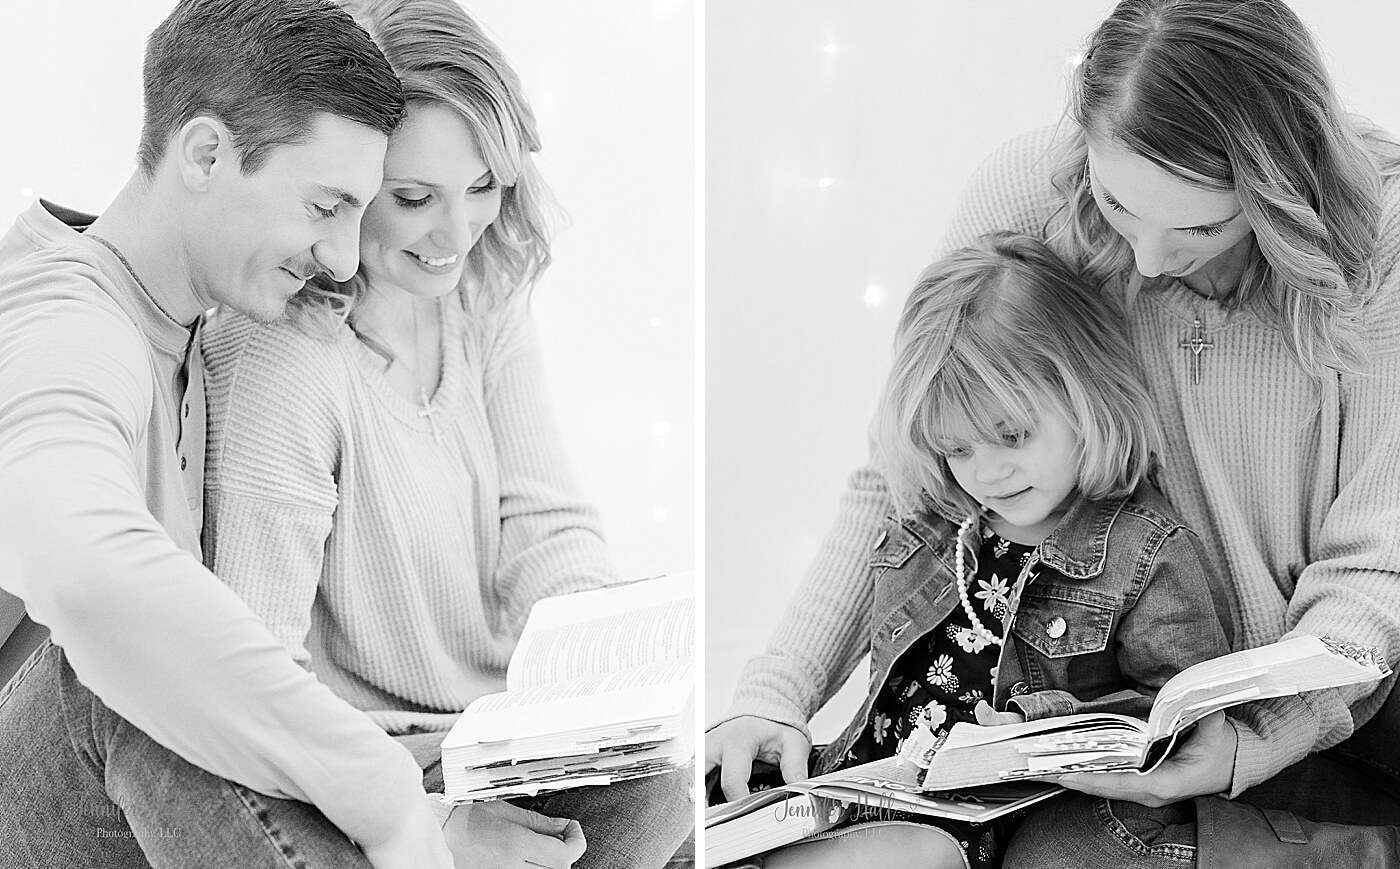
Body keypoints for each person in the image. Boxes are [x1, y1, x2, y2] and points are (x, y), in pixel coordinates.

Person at [709, 0, 1400, 865]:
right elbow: (905, 468)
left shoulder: (1385, 231)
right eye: (1117, 206)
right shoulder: (1027, 189)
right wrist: (774, 693)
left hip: (1345, 696)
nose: (1146, 262)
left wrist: (1246, 739)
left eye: (1203, 226)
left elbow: (1374, 574)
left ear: (1286, 184)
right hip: (1119, 706)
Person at [200, 1, 691, 867]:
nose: (458, 234)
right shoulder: (284, 358)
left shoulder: (482, 291)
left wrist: (604, 670)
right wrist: (424, 810)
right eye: (415, 198)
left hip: (487, 736)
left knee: (663, 792)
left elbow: (543, 523)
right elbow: (258, 680)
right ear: (345, 188)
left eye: (483, 188)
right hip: (364, 768)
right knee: (644, 818)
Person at [0, 1, 477, 868]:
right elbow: (81, 570)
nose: (339, 257)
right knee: (130, 664)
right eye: (325, 206)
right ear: (207, 154)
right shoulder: (65, 321)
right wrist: (388, 795)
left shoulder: (190, 327)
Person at [711, 232, 1232, 868]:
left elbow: (1177, 721)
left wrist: (1046, 729)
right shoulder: (935, 522)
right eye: (957, 449)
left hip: (982, 824)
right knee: (694, 808)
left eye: (1011, 435)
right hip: (865, 786)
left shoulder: (1145, 551)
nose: (985, 474)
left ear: (1090, 396)